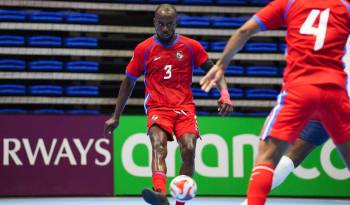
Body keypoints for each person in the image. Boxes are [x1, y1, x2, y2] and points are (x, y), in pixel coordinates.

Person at [200, 0, 350, 204]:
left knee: (269, 156)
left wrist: (221, 65)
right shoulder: (344, 6)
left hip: (301, 89)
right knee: (292, 156)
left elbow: (244, 31)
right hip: (337, 93)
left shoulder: (290, 3)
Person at [104, 4, 233, 205]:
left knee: (189, 149)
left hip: (185, 108)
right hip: (157, 108)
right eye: (161, 24)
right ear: (154, 23)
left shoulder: (191, 46)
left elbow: (215, 72)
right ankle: (160, 195)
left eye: (170, 24)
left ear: (176, 23)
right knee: (158, 145)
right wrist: (116, 115)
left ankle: (180, 202)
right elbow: (128, 81)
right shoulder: (144, 49)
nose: (165, 29)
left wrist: (224, 94)